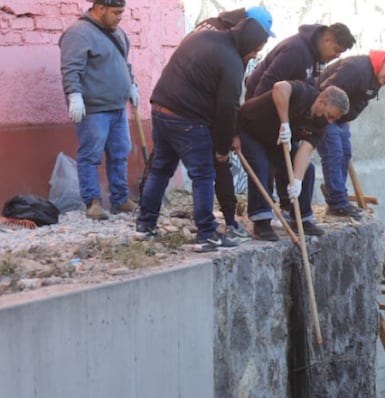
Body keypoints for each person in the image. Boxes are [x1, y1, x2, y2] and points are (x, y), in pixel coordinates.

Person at [134, 15, 270, 252]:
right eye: (255, 50)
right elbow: (228, 108)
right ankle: (207, 233)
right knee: (203, 175)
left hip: (160, 108)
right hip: (187, 119)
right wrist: (222, 147)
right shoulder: (232, 62)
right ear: (248, 43)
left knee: (160, 170)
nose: (254, 55)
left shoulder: (203, 36)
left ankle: (145, 225)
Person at [189, 6, 276, 242]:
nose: (257, 51)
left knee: (172, 163)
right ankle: (215, 225)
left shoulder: (219, 33)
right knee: (214, 166)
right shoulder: (223, 42)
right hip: (199, 110)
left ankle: (146, 219)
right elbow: (228, 101)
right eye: (258, 44)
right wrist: (228, 138)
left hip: (195, 105)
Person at [238, 81, 350, 241]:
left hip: (276, 141)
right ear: (321, 102)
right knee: (262, 167)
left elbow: (305, 151)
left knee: (308, 170)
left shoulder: (321, 123)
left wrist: (296, 181)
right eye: (330, 116)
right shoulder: (304, 93)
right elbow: (279, 87)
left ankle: (300, 219)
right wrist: (285, 124)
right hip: (250, 130)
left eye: (335, 119)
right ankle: (261, 221)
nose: (331, 121)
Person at [59, 0, 139, 220]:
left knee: (120, 153)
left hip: (117, 106)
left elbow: (124, 63)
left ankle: (120, 199)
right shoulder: (78, 34)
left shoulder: (119, 33)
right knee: (91, 155)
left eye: (122, 12)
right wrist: (74, 96)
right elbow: (71, 69)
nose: (120, 17)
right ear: (100, 8)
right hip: (93, 109)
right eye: (116, 12)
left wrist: (131, 84)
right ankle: (93, 202)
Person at [317, 51, 385, 219]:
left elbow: (355, 100)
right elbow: (324, 90)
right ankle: (337, 202)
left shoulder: (375, 79)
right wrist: (326, 116)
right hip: (326, 112)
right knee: (333, 152)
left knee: (345, 152)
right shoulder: (357, 70)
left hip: (340, 117)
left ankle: (337, 200)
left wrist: (346, 118)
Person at [245, 23, 356, 98]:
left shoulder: (319, 57)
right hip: (259, 99)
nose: (337, 56)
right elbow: (268, 81)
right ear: (327, 40)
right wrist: (255, 116)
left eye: (341, 53)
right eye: (336, 50)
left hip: (281, 103)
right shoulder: (296, 50)